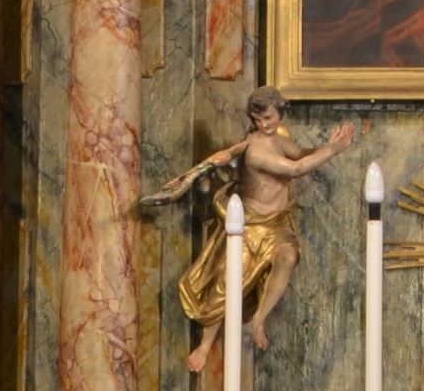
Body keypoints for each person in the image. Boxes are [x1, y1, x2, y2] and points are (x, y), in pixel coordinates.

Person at [146, 86, 355, 372]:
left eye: (269, 118)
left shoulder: (279, 137)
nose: (264, 124)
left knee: (288, 257)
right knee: (226, 281)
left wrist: (326, 147)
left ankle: (258, 319)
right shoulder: (254, 150)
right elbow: (295, 170)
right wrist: (331, 151)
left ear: (280, 113)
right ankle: (205, 344)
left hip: (276, 224)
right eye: (258, 120)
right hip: (250, 224)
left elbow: (298, 155)